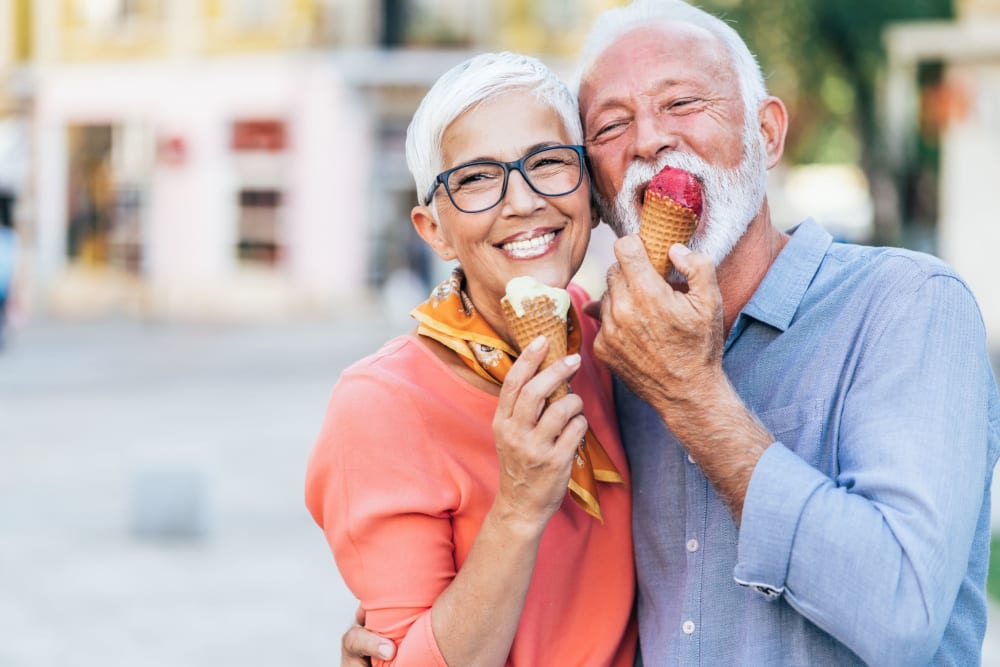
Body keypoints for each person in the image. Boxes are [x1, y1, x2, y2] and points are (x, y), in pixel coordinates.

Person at [341, 1, 1000, 665]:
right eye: (612, 124)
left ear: (768, 134)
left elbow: (904, 613)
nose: (650, 140)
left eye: (682, 102)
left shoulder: (907, 306)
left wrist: (692, 396)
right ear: (597, 192)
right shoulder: (602, 351)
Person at [305, 52, 637, 666]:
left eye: (548, 162)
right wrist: (518, 504)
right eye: (478, 178)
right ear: (433, 229)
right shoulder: (382, 404)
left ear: (589, 191)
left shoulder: (616, 341)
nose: (523, 200)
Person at [0, 190, 18, 349]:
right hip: (4, 281)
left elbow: (12, 261)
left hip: (3, 281)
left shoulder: (8, 236)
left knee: (2, 311)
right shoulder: (9, 236)